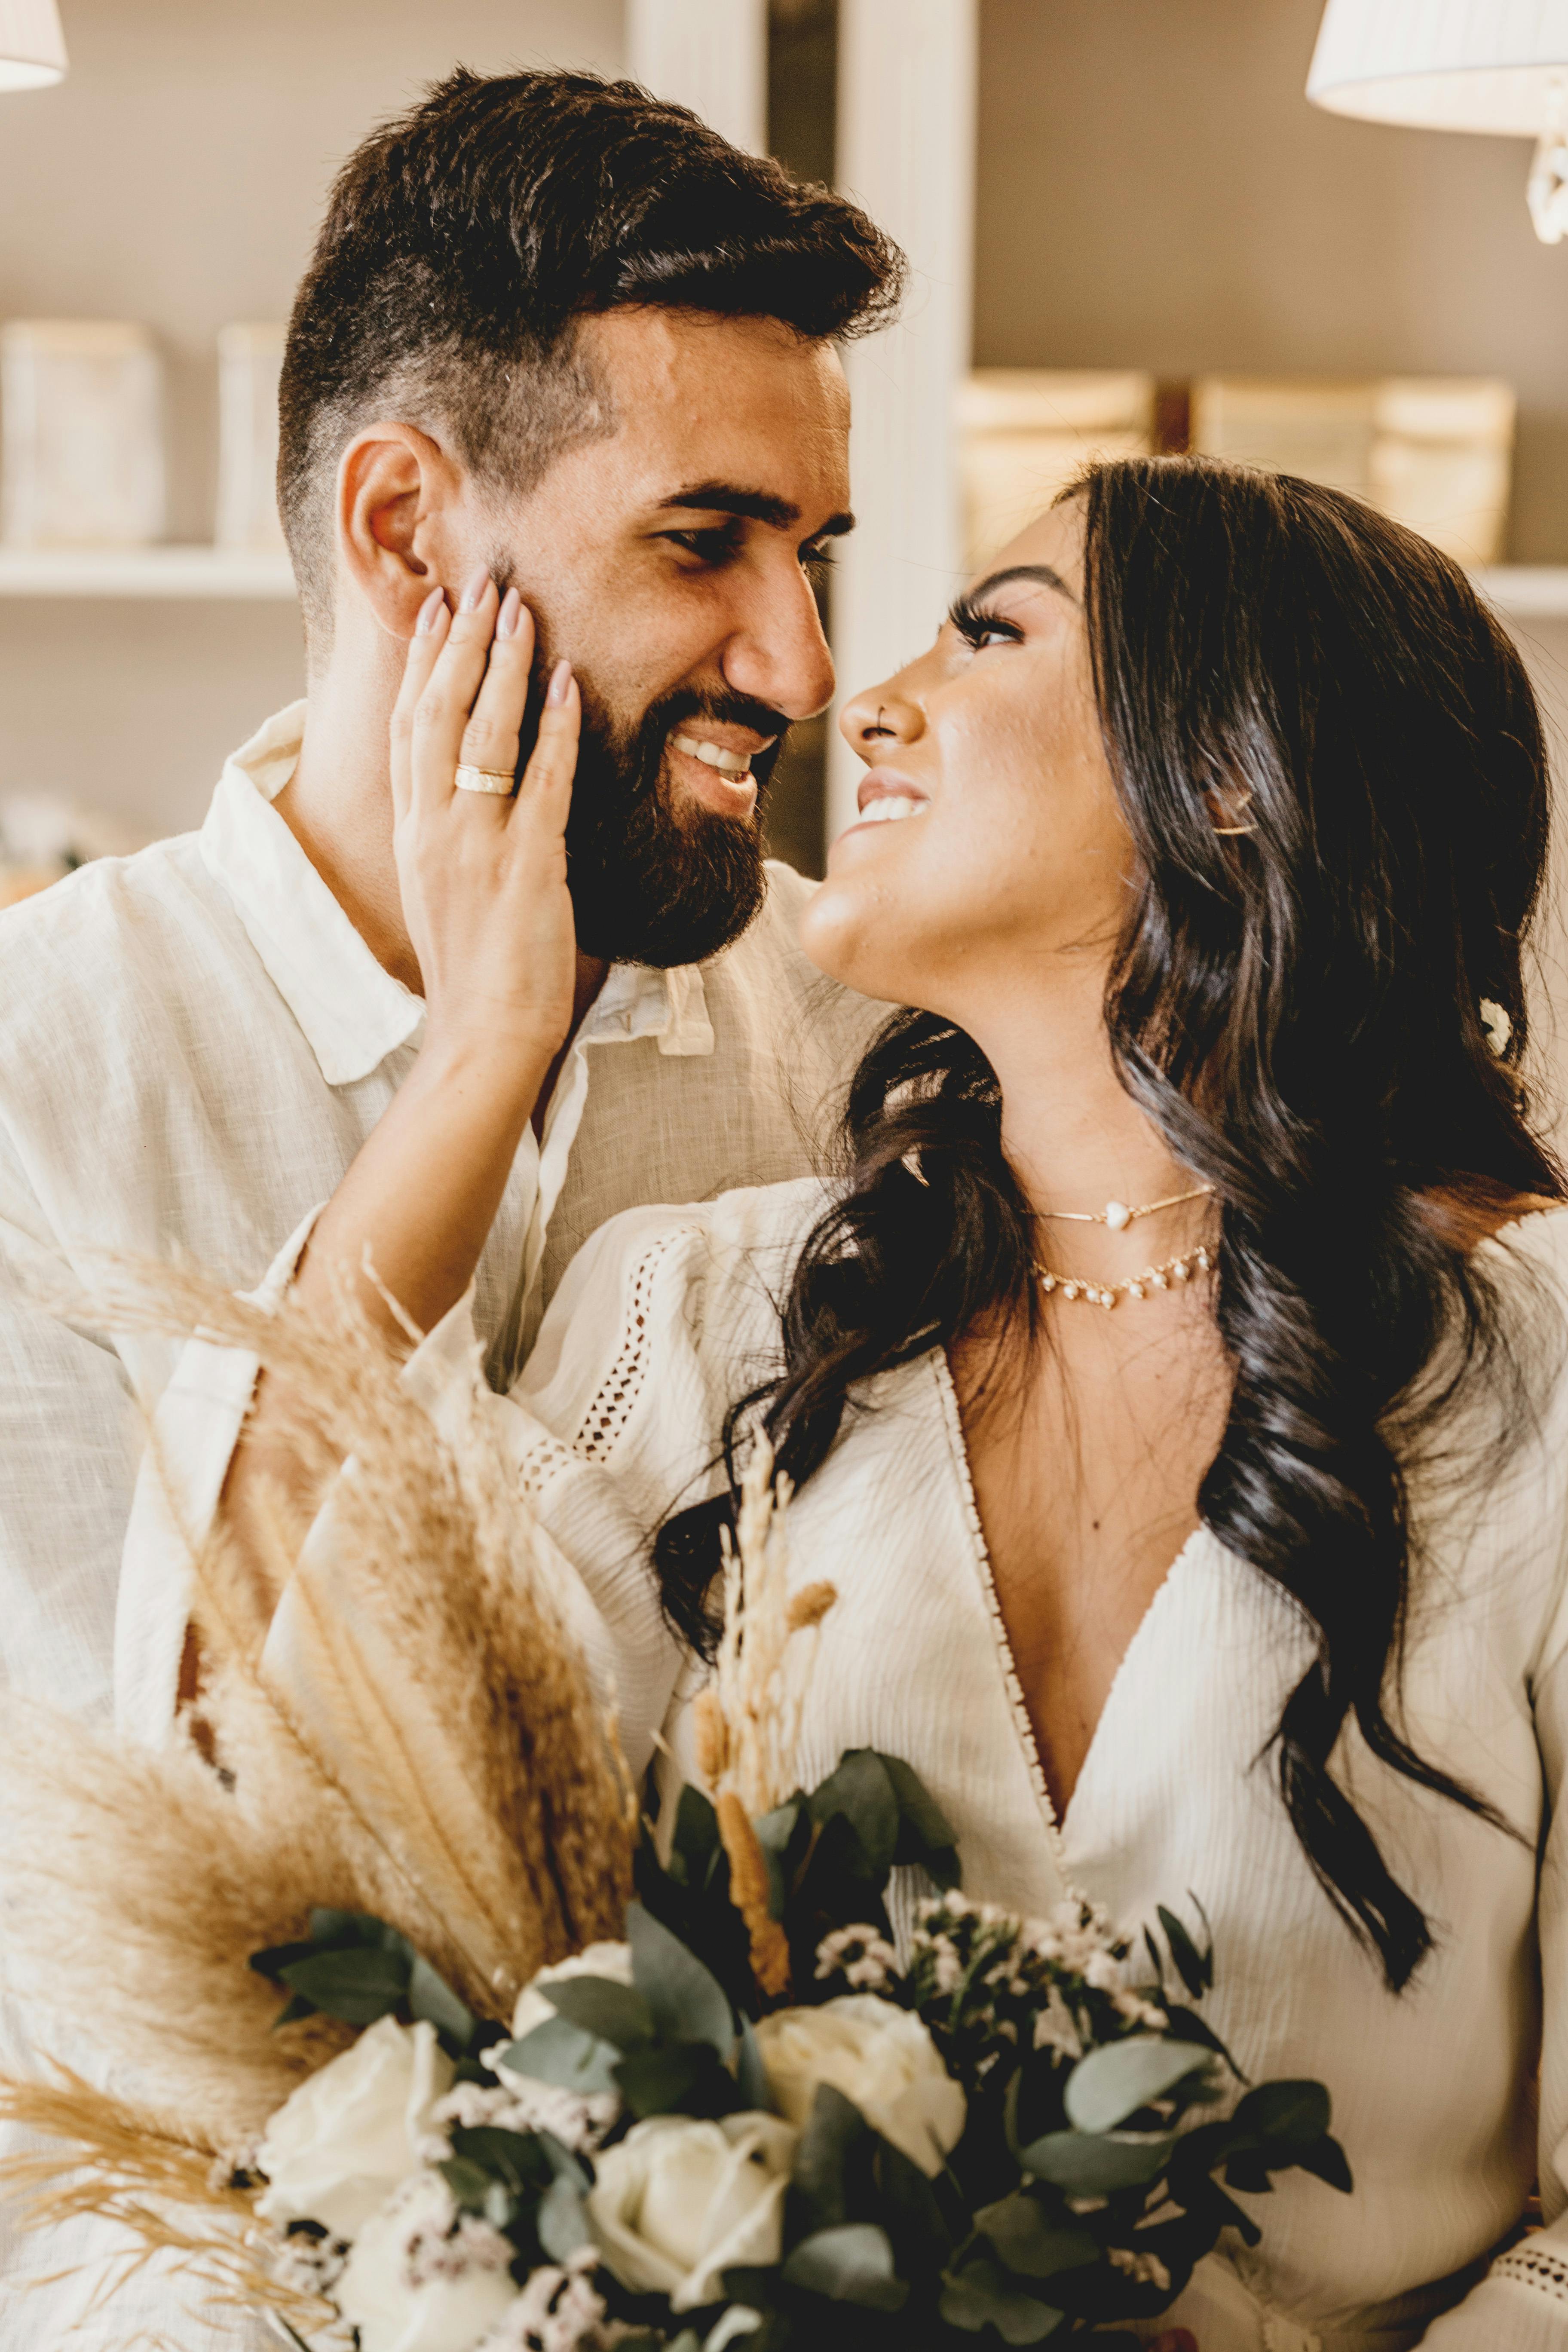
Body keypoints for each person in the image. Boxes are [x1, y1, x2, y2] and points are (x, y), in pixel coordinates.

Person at [132, 452, 1568, 2347]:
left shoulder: (1531, 1385)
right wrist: (489, 1044)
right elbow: (305, 1818)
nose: (855, 694)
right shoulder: (715, 1314)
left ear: (1227, 772)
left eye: (989, 634)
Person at [0, 66, 897, 2350]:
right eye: (706, 547)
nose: (796, 669)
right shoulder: (42, 1072)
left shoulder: (860, 1039)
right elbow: (156, 1828)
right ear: (406, 531)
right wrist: (487, 1053)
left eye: (818, 561)